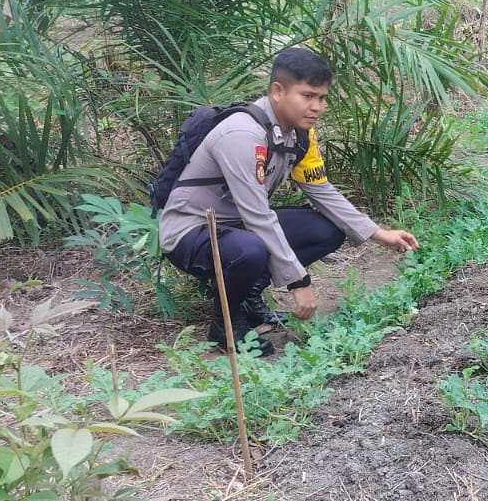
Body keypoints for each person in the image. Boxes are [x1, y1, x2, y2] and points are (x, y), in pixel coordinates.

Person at [158, 47, 419, 352]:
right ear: (277, 91)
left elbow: (321, 190)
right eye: (307, 96)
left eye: (322, 98)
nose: (316, 107)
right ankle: (226, 325)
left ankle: (249, 296)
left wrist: (378, 234)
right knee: (250, 249)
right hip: (190, 232)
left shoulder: (299, 135)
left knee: (328, 229)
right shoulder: (242, 134)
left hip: (237, 226)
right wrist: (299, 282)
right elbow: (258, 216)